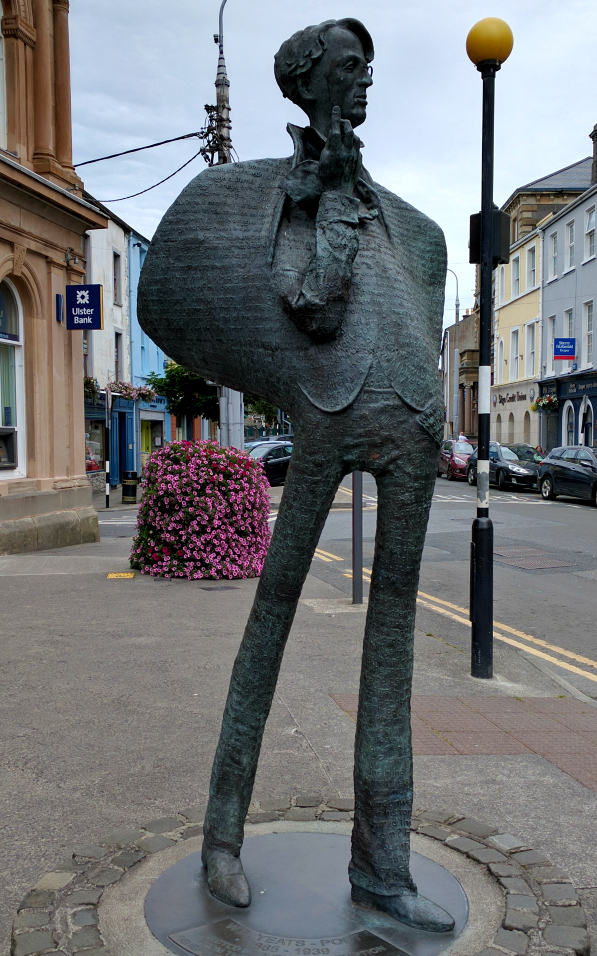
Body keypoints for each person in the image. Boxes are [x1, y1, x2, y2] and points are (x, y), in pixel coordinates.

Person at [139, 18, 453, 934]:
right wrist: (314, 201)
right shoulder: (295, 194)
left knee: (392, 644)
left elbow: (419, 303)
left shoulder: (408, 221)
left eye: (369, 70)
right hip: (325, 416)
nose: (365, 85)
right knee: (272, 615)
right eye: (351, 71)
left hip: (411, 426)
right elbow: (308, 304)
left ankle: (383, 864)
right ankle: (223, 836)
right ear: (313, 83)